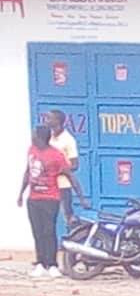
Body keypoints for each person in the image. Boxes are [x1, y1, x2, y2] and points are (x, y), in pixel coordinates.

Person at [18, 123, 87, 277]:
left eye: (34, 134)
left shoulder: (56, 155)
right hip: (33, 199)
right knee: (37, 232)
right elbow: (27, 172)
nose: (32, 137)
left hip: (50, 198)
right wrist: (21, 194)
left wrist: (81, 197)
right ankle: (40, 263)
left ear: (41, 138)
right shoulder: (32, 150)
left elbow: (71, 176)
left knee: (49, 231)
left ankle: (52, 264)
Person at [45, 109, 79, 224]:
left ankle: (74, 238)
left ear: (57, 121)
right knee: (47, 217)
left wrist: (57, 171)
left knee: (67, 216)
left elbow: (74, 165)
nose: (46, 120)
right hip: (49, 185)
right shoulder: (48, 137)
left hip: (63, 186)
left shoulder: (68, 140)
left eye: (49, 118)